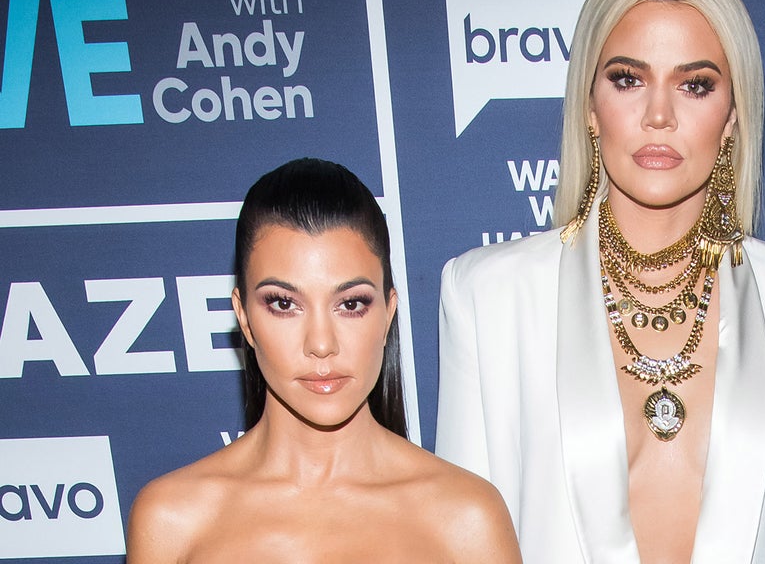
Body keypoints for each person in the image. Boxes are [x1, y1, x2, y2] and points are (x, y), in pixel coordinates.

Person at [436, 0, 765, 563]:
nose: (658, 115)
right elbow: (459, 547)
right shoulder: (488, 296)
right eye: (628, 79)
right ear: (590, 107)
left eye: (695, 85)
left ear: (732, 116)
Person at [127, 158, 520, 563]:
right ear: (243, 317)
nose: (320, 343)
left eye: (350, 304)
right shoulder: (172, 519)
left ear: (387, 314)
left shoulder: (466, 518)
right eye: (284, 303)